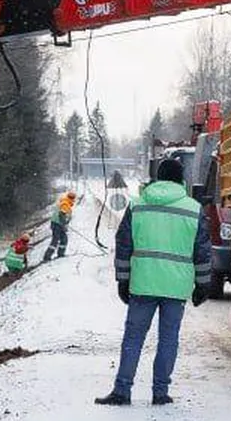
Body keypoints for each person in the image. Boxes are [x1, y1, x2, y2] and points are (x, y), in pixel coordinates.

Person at [95, 157, 211, 407]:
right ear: (181, 180)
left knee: (133, 338)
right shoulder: (193, 209)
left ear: (157, 178)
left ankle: (121, 391)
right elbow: (202, 250)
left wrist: (123, 280)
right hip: (176, 287)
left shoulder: (137, 205)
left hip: (142, 283)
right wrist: (203, 284)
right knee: (168, 339)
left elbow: (124, 244)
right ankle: (160, 393)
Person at [44, 191, 76, 260]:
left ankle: (60, 254)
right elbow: (62, 215)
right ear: (72, 198)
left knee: (64, 239)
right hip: (57, 224)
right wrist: (64, 224)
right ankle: (47, 257)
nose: (74, 201)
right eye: (74, 199)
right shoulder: (65, 203)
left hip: (58, 224)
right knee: (55, 240)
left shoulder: (65, 202)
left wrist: (65, 224)